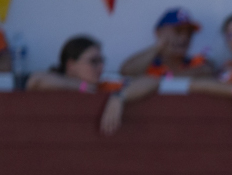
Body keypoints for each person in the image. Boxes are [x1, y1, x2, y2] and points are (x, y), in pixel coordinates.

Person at [24, 35, 160, 135]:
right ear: (71, 65)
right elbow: (35, 81)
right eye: (94, 61)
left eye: (102, 61)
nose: (100, 67)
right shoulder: (53, 82)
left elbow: (152, 80)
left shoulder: (104, 85)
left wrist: (119, 97)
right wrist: (80, 86)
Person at [119, 8, 218, 78]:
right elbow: (126, 71)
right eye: (178, 31)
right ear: (159, 33)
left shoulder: (198, 63)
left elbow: (208, 71)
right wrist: (159, 46)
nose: (184, 37)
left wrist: (157, 79)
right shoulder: (147, 64)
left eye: (189, 33)